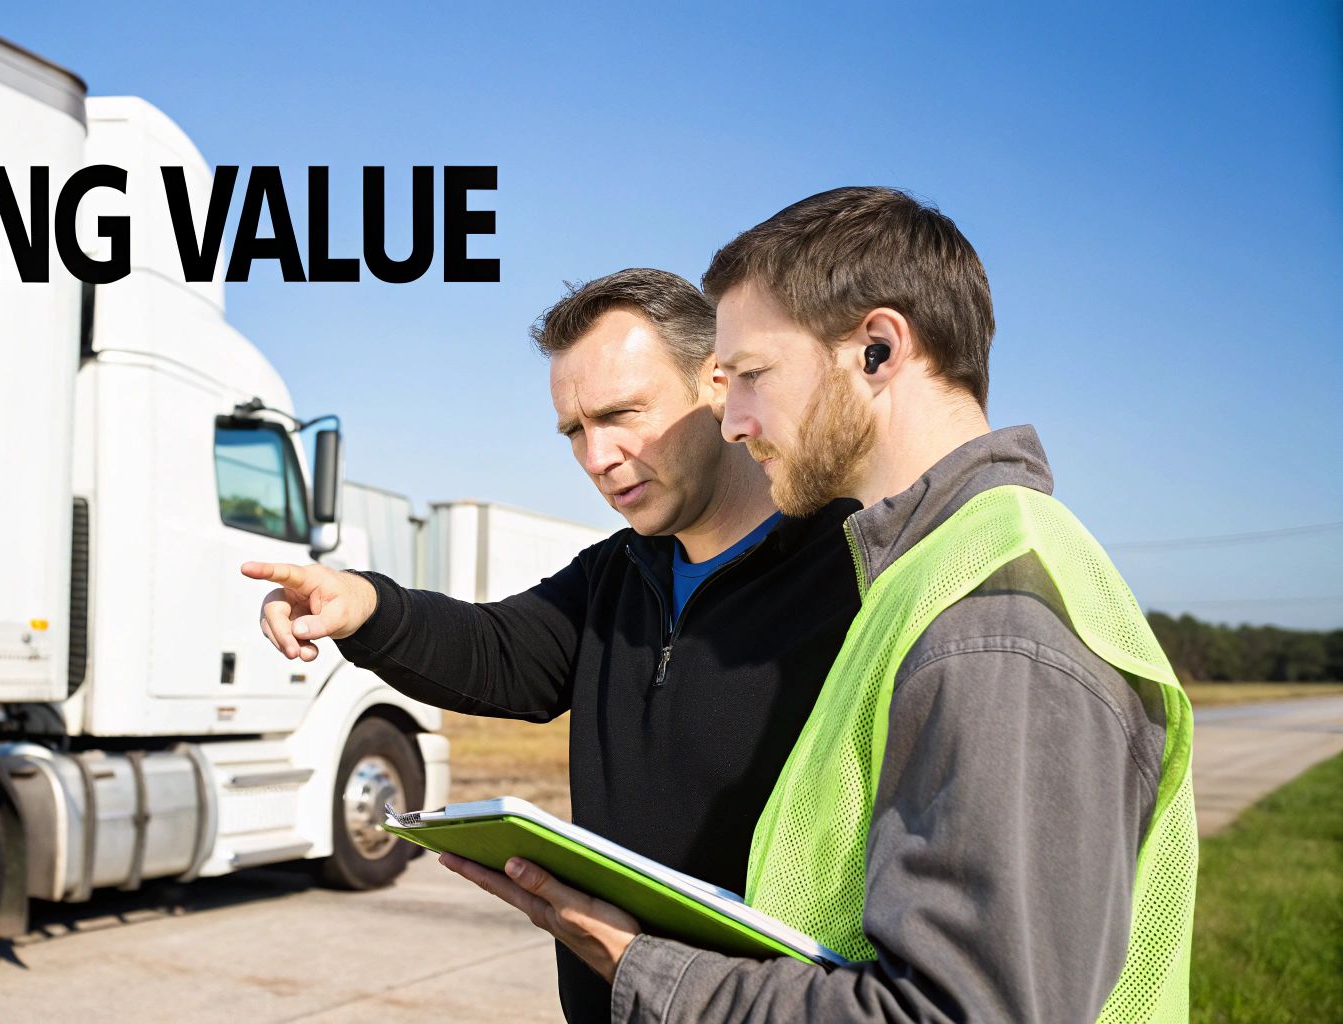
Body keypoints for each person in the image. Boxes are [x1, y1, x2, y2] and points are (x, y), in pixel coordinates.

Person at [436, 187, 1197, 1023]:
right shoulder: (917, 572)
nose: (732, 422)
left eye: (752, 376)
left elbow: (963, 1012)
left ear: (876, 350)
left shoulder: (992, 621)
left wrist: (645, 970)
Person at [242, 268, 862, 1023]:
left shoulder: (854, 565)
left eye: (621, 413)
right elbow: (500, 651)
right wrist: (365, 606)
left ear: (718, 384)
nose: (597, 457)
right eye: (575, 430)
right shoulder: (617, 571)